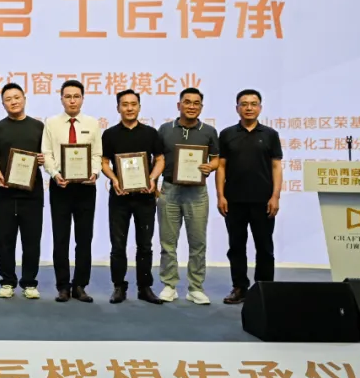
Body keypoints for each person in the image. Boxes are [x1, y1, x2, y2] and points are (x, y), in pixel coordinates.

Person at [217, 89, 283, 305]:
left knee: (265, 247)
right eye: (244, 104)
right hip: (234, 200)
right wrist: (220, 195)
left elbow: (276, 166)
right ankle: (240, 287)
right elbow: (221, 167)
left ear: (260, 108)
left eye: (253, 104)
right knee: (236, 247)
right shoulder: (227, 134)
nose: (249, 108)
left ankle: (264, 288)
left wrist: (275, 196)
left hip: (263, 200)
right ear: (237, 108)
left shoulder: (270, 134)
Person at [156, 88, 219, 305]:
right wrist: (154, 184)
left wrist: (210, 166)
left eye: (196, 103)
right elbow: (158, 159)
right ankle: (169, 285)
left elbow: (216, 159)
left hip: (197, 193)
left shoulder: (209, 131)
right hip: (170, 190)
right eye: (187, 102)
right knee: (168, 242)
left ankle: (195, 288)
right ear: (179, 105)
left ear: (201, 107)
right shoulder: (165, 129)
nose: (191, 106)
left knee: (198, 242)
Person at [101, 89, 165, 305]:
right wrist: (114, 179)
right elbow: (104, 162)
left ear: (139, 107)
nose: (129, 108)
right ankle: (119, 287)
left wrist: (152, 179)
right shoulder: (109, 134)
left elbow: (160, 159)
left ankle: (144, 287)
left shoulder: (151, 133)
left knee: (145, 245)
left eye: (133, 104)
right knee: (118, 245)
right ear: (118, 107)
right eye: (125, 104)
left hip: (145, 197)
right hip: (119, 197)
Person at [41, 79, 102, 303]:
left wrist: (94, 173)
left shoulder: (93, 123)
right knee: (61, 238)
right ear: (61, 99)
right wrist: (55, 174)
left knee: (84, 238)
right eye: (68, 96)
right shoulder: (51, 123)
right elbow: (47, 153)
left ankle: (80, 286)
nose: (72, 101)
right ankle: (63, 286)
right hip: (61, 187)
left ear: (83, 99)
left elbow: (97, 154)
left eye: (76, 96)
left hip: (86, 188)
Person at [0, 83, 45, 300]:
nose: (13, 102)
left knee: (32, 241)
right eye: (8, 99)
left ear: (24, 99)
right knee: (5, 240)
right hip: (5, 194)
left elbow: (46, 155)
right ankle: (7, 281)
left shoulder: (39, 127)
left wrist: (43, 159)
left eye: (17, 97)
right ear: (3, 104)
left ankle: (29, 283)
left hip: (32, 194)